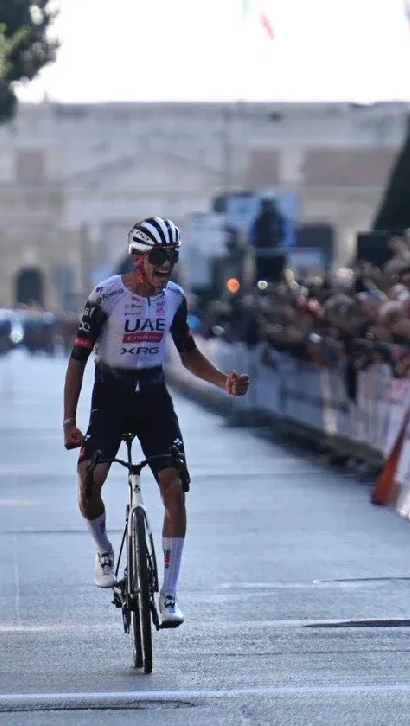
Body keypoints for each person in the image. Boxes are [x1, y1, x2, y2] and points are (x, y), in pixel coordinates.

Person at [61, 216, 249, 629]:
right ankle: (104, 551)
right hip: (110, 398)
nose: (168, 265)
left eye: (173, 257)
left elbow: (189, 354)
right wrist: (69, 421)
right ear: (138, 258)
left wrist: (224, 382)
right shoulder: (106, 296)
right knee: (90, 479)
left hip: (153, 399)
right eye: (160, 257)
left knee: (174, 488)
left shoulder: (175, 298)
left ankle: (169, 594)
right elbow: (77, 361)